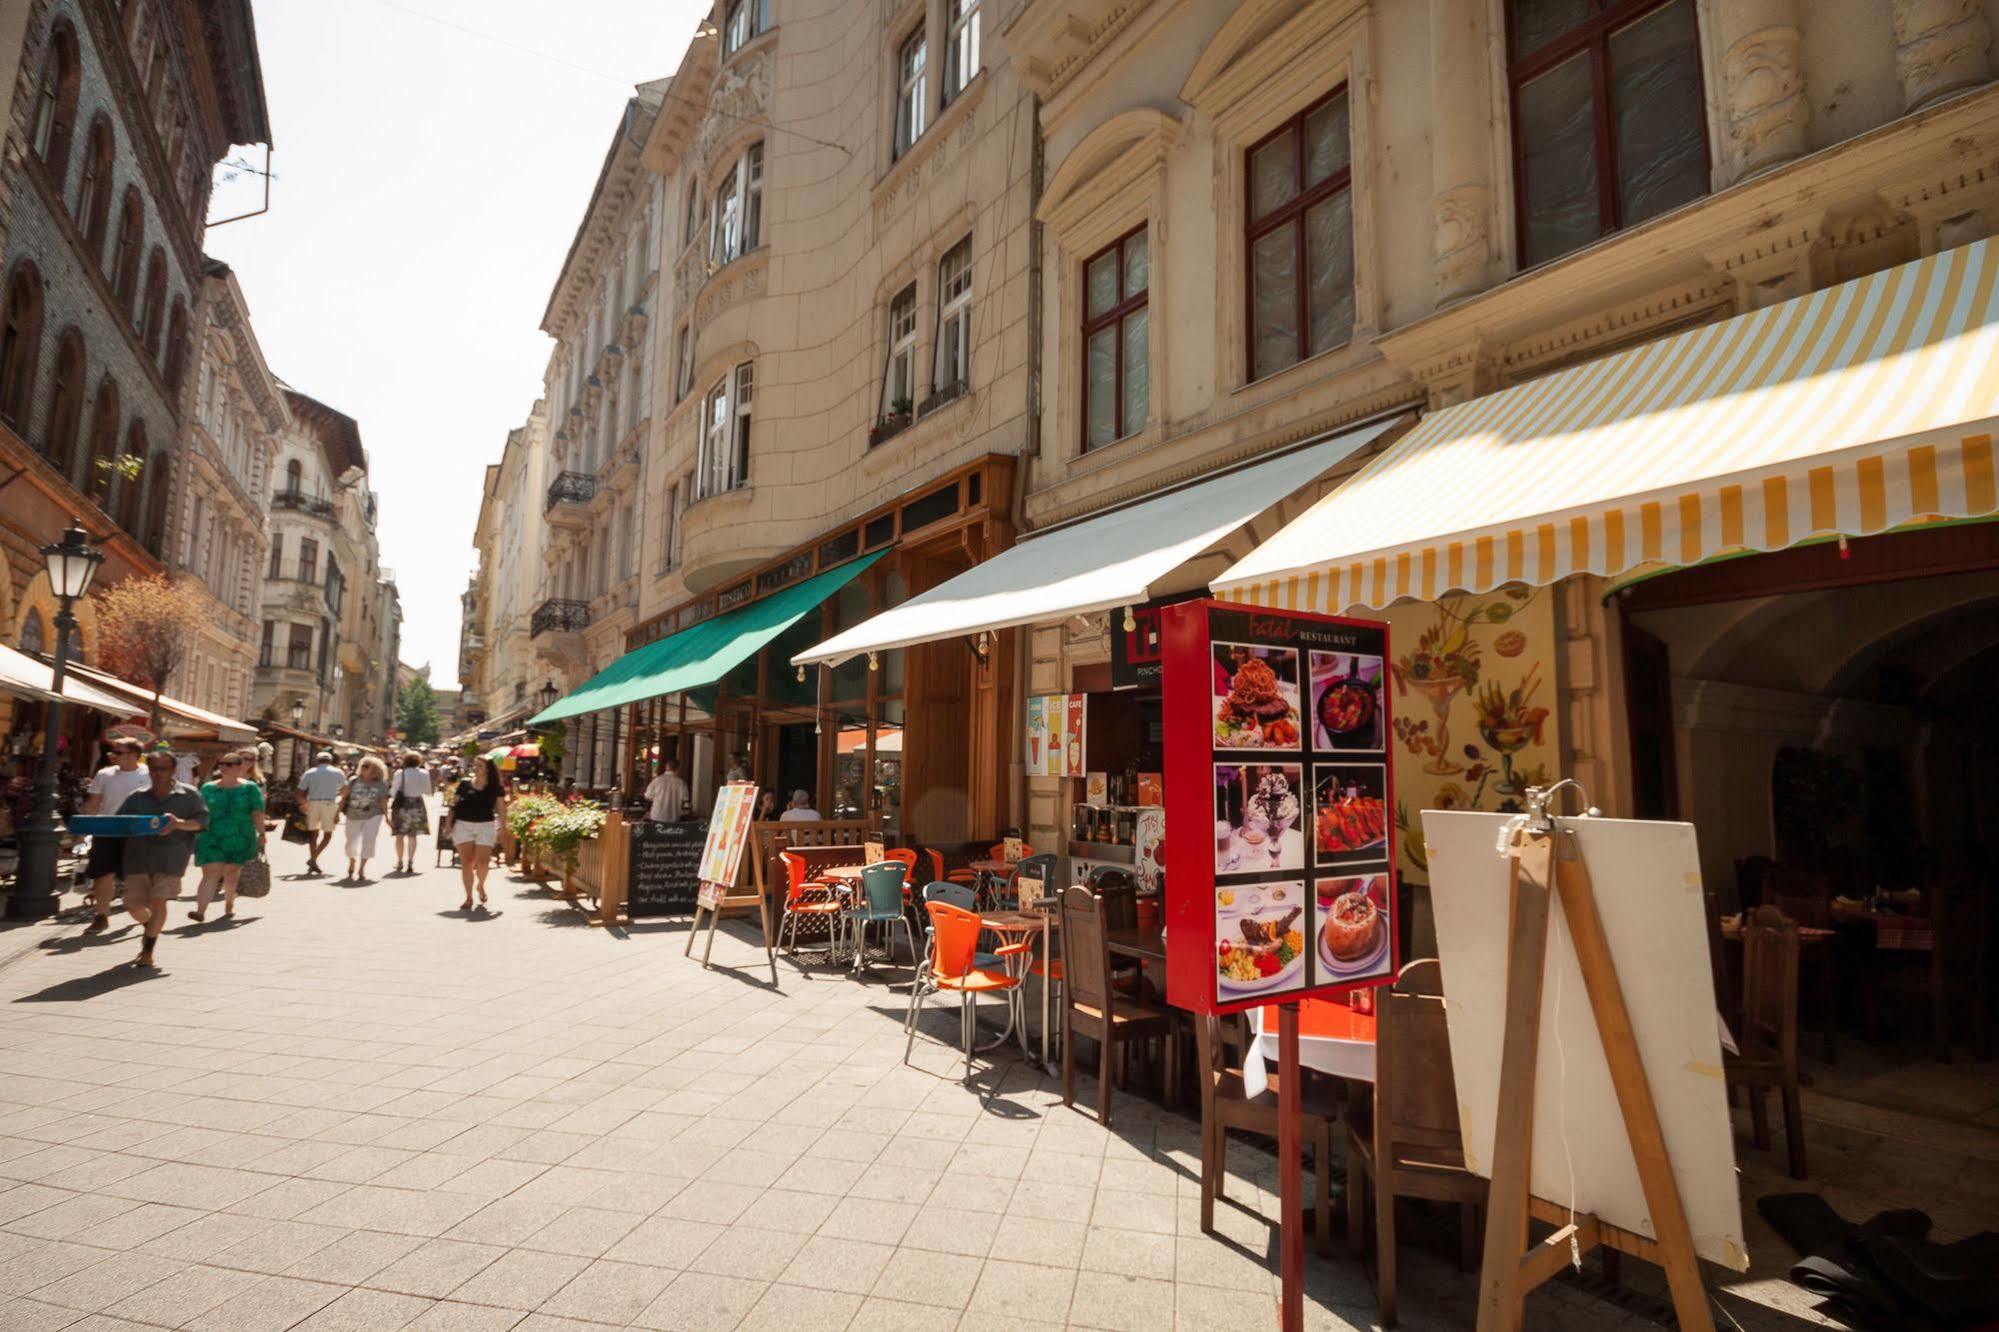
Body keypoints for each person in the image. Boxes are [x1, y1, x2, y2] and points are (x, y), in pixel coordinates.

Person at [115, 752, 208, 968]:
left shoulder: (189, 795)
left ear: (173, 770)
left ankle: (147, 950)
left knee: (159, 901)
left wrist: (178, 824)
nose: (158, 773)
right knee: (132, 905)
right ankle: (151, 925)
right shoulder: (137, 796)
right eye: (154, 768)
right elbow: (120, 823)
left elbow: (201, 823)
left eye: (163, 769)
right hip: (137, 858)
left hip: (171, 857)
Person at [81, 738, 150, 934]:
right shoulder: (104, 774)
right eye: (113, 751)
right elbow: (93, 803)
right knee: (103, 874)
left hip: (136, 832)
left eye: (118, 752)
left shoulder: (148, 774)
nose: (112, 755)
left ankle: (144, 915)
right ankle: (101, 916)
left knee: (132, 878)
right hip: (106, 829)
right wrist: (84, 829)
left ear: (133, 755)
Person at [191, 750, 264, 922]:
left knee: (232, 874)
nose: (223, 767)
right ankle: (200, 911)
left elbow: (257, 812)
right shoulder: (208, 788)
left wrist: (262, 833)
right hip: (211, 836)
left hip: (239, 837)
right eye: (222, 764)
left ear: (240, 767)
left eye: (229, 764)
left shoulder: (250, 788)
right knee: (210, 874)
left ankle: (229, 904)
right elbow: (200, 811)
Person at [450, 756, 507, 911]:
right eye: (474, 765)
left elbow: (501, 809)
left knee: (483, 862)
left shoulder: (495, 786)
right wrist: (449, 824)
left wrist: (503, 828)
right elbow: (453, 804)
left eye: (479, 765)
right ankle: (468, 897)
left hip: (486, 826)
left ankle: (480, 885)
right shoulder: (464, 784)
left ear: (488, 769)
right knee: (467, 863)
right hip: (463, 825)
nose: (475, 768)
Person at [338, 756, 392, 881]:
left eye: (367, 766)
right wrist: (336, 813)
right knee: (351, 842)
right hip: (353, 815)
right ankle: (352, 860)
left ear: (376, 770)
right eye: (363, 765)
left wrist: (387, 818)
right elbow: (344, 797)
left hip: (374, 816)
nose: (363, 768)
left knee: (369, 841)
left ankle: (361, 868)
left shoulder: (381, 785)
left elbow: (383, 802)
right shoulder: (353, 780)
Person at [296, 752, 347, 874]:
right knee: (327, 835)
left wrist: (303, 804)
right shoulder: (337, 772)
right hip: (329, 803)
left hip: (313, 804)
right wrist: (338, 796)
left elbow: (299, 792)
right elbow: (345, 789)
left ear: (317, 760)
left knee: (313, 835)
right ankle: (313, 859)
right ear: (330, 760)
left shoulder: (310, 772)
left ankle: (313, 860)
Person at [388, 752, 433, 874]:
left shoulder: (399, 773)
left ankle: (400, 861)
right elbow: (428, 791)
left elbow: (393, 791)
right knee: (413, 836)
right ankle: (410, 862)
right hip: (417, 804)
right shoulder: (424, 773)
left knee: (399, 835)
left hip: (402, 805)